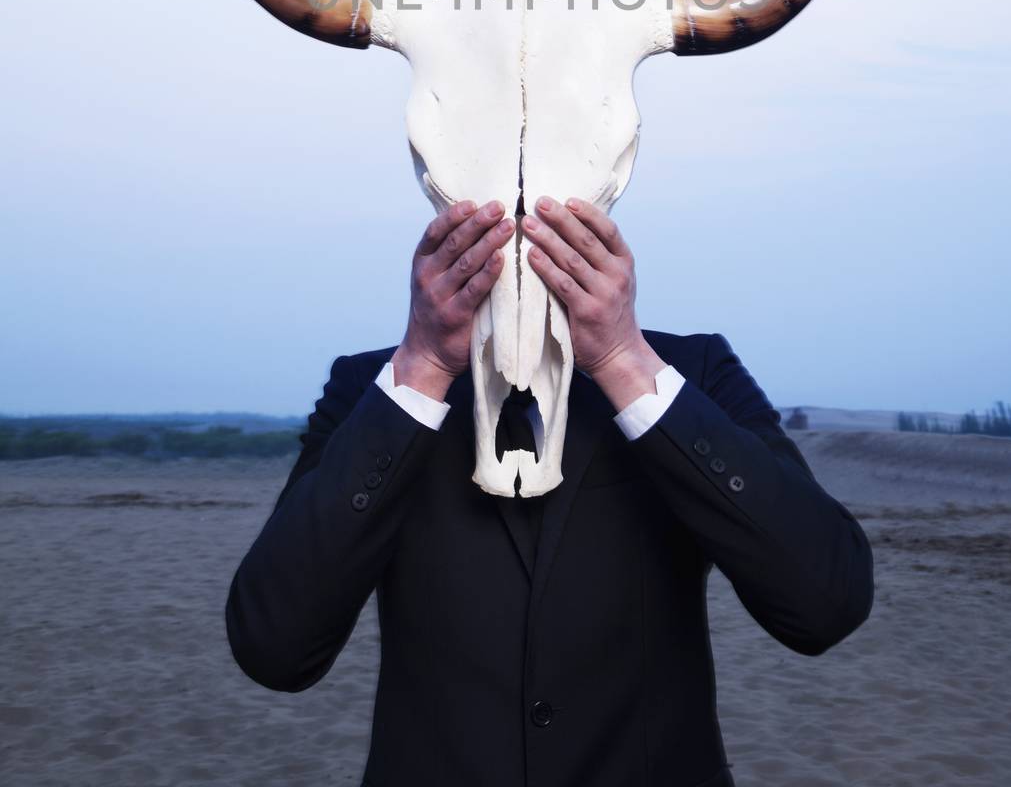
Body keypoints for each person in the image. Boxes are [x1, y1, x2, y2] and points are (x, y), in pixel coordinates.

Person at [225, 195, 874, 787]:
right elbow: (274, 646)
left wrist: (624, 361)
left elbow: (824, 603)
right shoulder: (370, 387)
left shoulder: (694, 370)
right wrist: (422, 366)